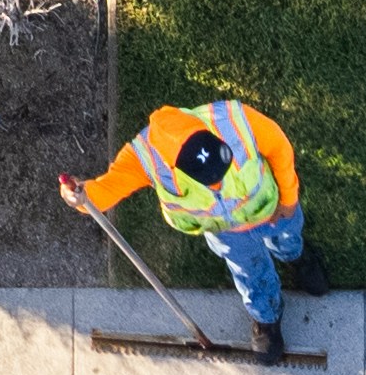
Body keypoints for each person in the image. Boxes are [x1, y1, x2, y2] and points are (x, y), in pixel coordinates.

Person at [70, 98, 318, 352]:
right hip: (228, 233)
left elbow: (279, 147)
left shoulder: (235, 120)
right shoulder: (142, 158)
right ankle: (267, 317)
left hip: (271, 209)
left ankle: (297, 258)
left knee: (288, 237)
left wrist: (288, 198)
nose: (219, 185)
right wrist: (78, 196)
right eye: (208, 181)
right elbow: (102, 194)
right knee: (250, 272)